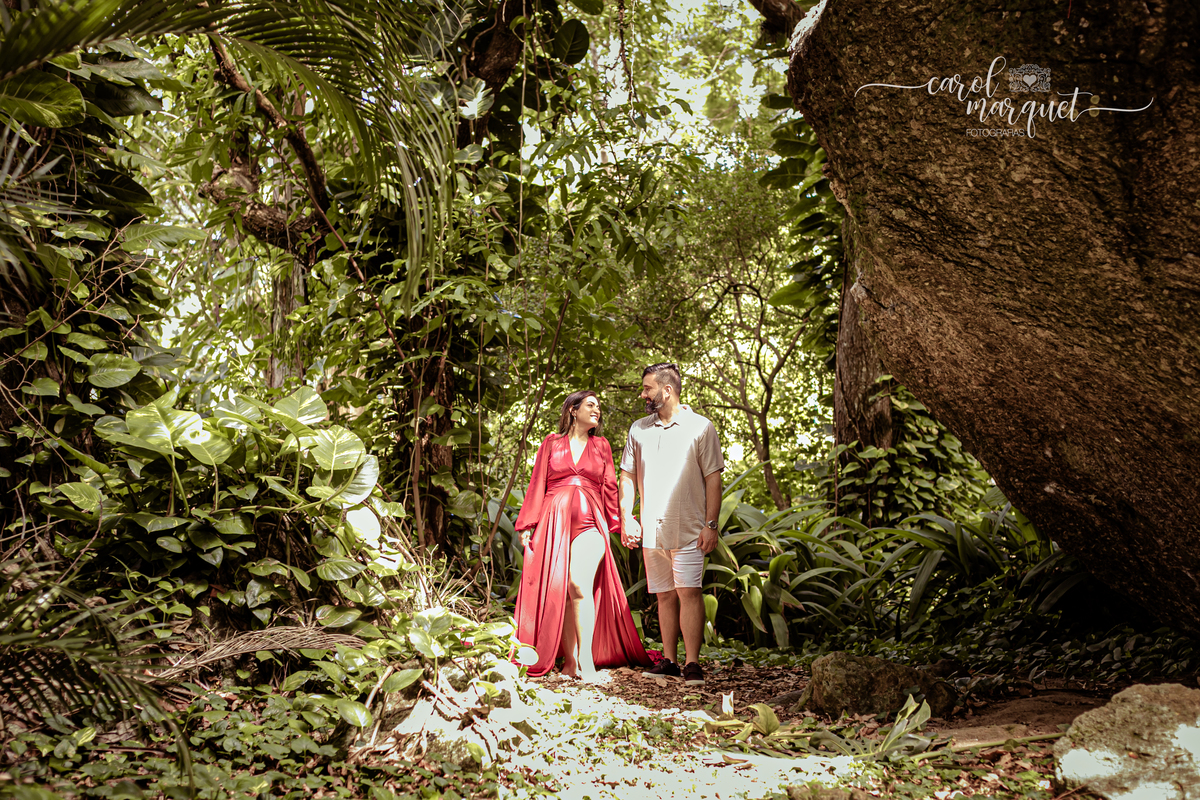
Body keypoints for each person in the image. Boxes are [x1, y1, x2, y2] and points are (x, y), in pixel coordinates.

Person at [514, 390, 653, 681]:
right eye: (590, 405)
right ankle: (570, 661)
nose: (597, 410)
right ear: (573, 411)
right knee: (564, 590)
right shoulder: (551, 443)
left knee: (578, 584)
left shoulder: (601, 446)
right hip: (554, 522)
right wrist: (527, 524)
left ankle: (587, 661)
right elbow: (538, 481)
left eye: (599, 407)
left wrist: (623, 523)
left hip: (590, 523)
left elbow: (610, 486)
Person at [620, 363, 724, 686]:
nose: (643, 394)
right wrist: (627, 516)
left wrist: (711, 524)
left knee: (689, 592)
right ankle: (669, 660)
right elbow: (626, 476)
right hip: (652, 530)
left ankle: (692, 664)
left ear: (667, 390)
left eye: (648, 388)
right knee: (664, 596)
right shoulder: (638, 429)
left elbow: (713, 479)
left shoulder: (701, 427)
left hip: (691, 529)